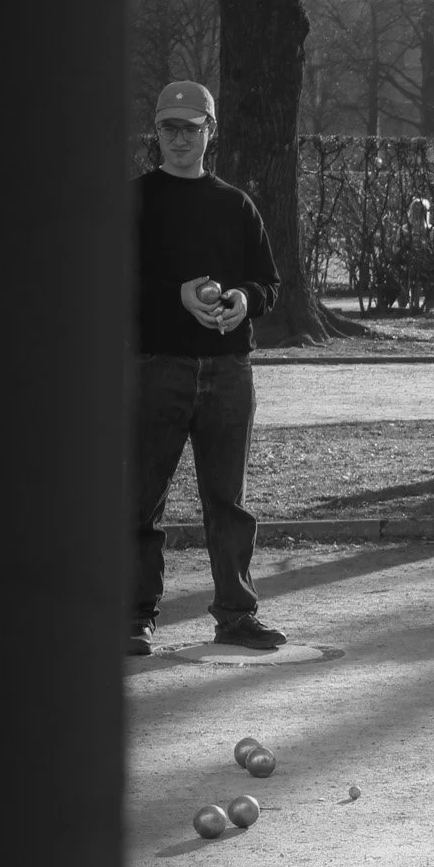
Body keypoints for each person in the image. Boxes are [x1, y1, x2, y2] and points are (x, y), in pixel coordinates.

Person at [129, 81, 286, 655]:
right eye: (168, 128)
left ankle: (236, 615)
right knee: (140, 499)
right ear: (156, 132)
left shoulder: (236, 205)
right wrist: (175, 294)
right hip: (155, 366)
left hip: (228, 369)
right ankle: (134, 616)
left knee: (229, 502)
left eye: (190, 129)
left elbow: (269, 282)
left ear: (210, 132)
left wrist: (245, 298)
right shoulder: (132, 201)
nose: (178, 139)